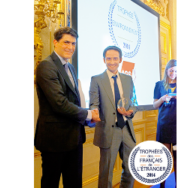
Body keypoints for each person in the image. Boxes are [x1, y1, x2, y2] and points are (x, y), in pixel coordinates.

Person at [34, 27, 100, 188]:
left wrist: (86, 118)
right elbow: (59, 104)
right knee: (51, 183)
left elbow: (74, 101)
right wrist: (89, 114)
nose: (70, 47)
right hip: (54, 140)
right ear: (55, 42)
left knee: (74, 182)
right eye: (66, 42)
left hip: (74, 138)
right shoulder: (46, 66)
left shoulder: (70, 67)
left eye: (73, 43)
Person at [89, 46, 137, 188]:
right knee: (106, 171)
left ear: (120, 60)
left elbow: (134, 102)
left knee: (131, 168)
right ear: (104, 60)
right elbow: (93, 104)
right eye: (108, 58)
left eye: (115, 58)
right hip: (108, 131)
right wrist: (93, 112)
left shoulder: (128, 79)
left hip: (127, 129)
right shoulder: (96, 79)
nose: (112, 61)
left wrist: (131, 112)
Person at [153, 59, 177, 188]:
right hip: (165, 125)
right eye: (171, 70)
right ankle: (162, 186)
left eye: (176, 71)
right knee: (164, 158)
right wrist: (162, 99)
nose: (173, 73)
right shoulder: (159, 85)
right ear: (167, 70)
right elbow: (155, 104)